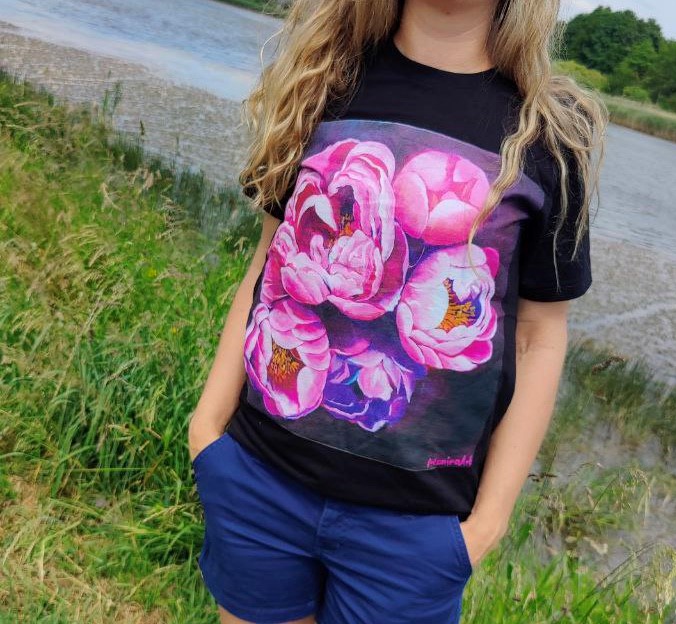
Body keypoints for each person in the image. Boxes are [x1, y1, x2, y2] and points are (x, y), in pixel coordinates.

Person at [187, 0, 608, 622]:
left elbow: (539, 335)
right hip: (259, 482)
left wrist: (487, 522)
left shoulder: (549, 133)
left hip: (414, 533)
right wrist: (207, 430)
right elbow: (265, 265)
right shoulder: (323, 81)